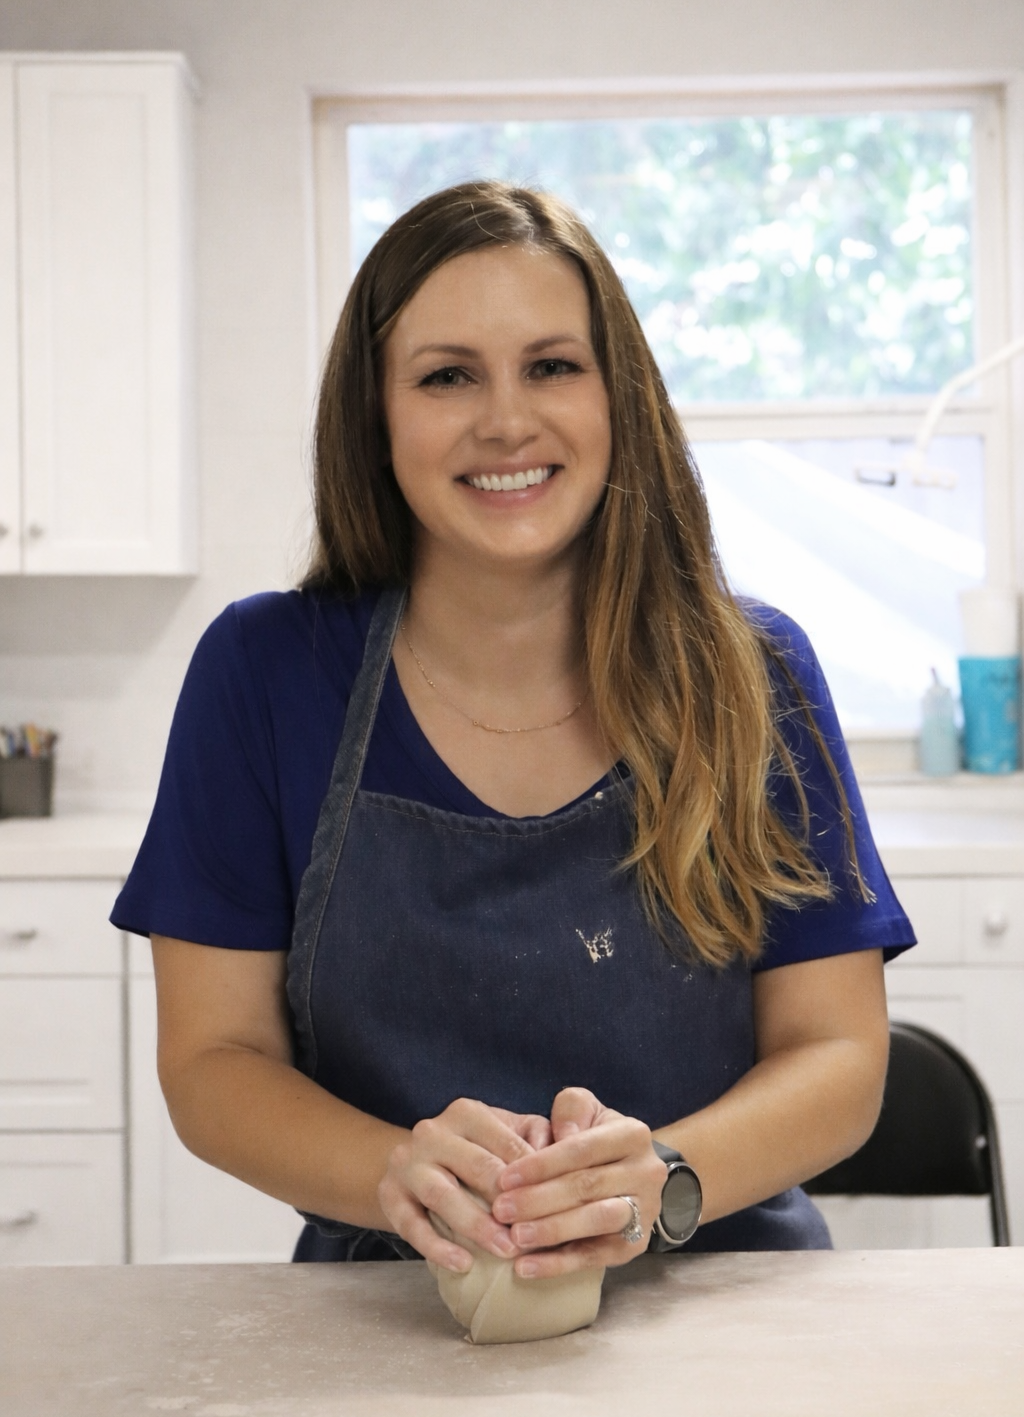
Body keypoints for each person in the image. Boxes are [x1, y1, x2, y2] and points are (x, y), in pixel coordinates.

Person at [112, 180, 915, 1277]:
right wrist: (399, 1173)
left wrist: (660, 1180)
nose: (505, 420)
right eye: (447, 376)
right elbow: (213, 1059)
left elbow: (837, 1055)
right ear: (377, 415)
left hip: (721, 1293)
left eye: (551, 366)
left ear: (616, 398)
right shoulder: (263, 675)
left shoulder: (752, 675)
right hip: (388, 1309)